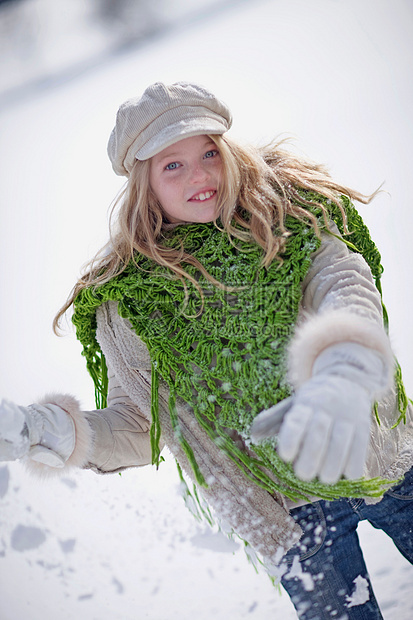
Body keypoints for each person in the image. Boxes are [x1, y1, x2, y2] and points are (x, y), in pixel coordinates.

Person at [1, 81, 412, 619]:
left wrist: (340, 374)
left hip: (380, 456)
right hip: (291, 520)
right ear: (143, 183)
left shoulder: (291, 218)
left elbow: (346, 287)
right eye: (173, 165)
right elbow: (138, 425)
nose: (201, 175)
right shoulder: (129, 301)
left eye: (209, 152)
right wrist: (47, 432)